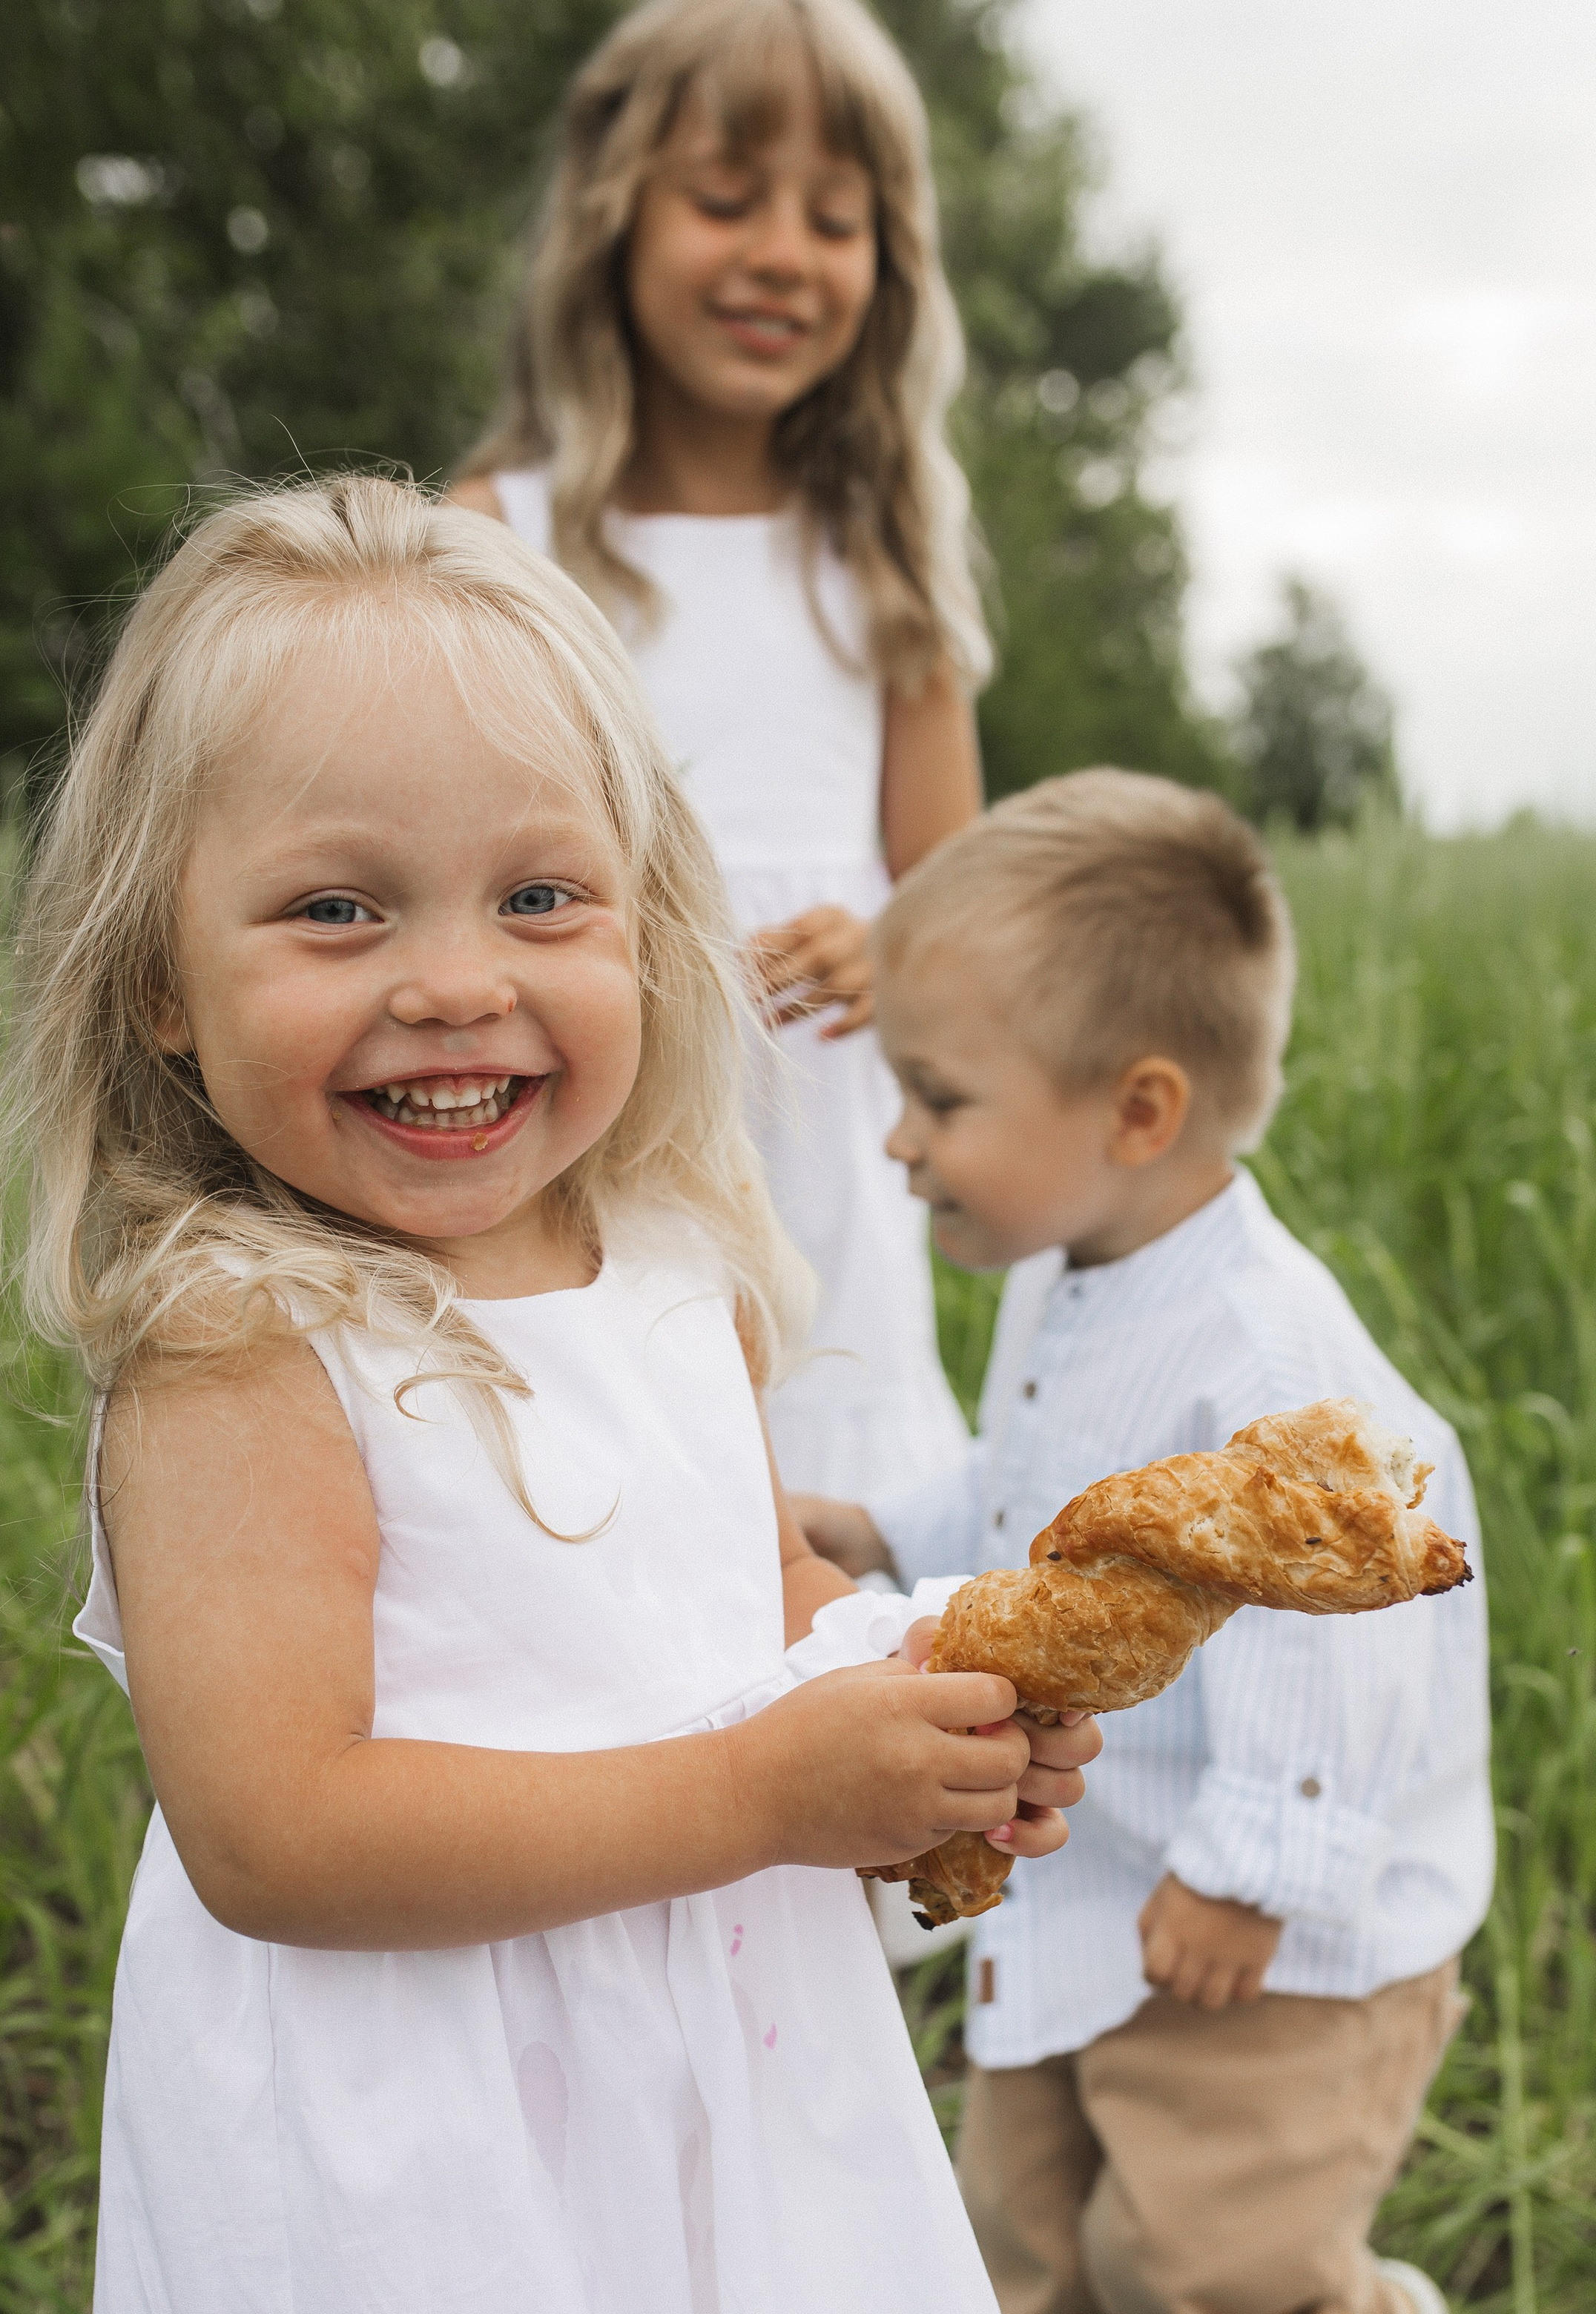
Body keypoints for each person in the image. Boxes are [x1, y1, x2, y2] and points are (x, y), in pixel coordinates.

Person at [0, 479, 1202, 2314]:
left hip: (706, 2122)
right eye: (338, 910)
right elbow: (279, 1830)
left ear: (652, 920)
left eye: (542, 896)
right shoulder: (244, 1349)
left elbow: (750, 1648)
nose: (455, 980)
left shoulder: (671, 1278)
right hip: (412, 2201)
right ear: (159, 976)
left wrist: (914, 1740)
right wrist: (767, 1798)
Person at [796, 770, 1494, 2314]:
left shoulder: (1267, 1352)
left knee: (1198, 2256)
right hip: (1092, 1871)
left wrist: (1252, 1864)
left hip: (1267, 1934)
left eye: (937, 1101)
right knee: (1024, 2242)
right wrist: (881, 1530)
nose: (898, 1148)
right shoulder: (1068, 1271)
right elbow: (1031, 1498)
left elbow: (1353, 1622)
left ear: (1138, 1109)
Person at [449, 0, 982, 1498]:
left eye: (833, 217)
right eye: (724, 199)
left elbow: (964, 914)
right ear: (612, 221)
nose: (778, 255)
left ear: (888, 266)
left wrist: (892, 949)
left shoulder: (884, 565)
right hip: (587, 1175)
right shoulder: (503, 537)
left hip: (826, 1222)